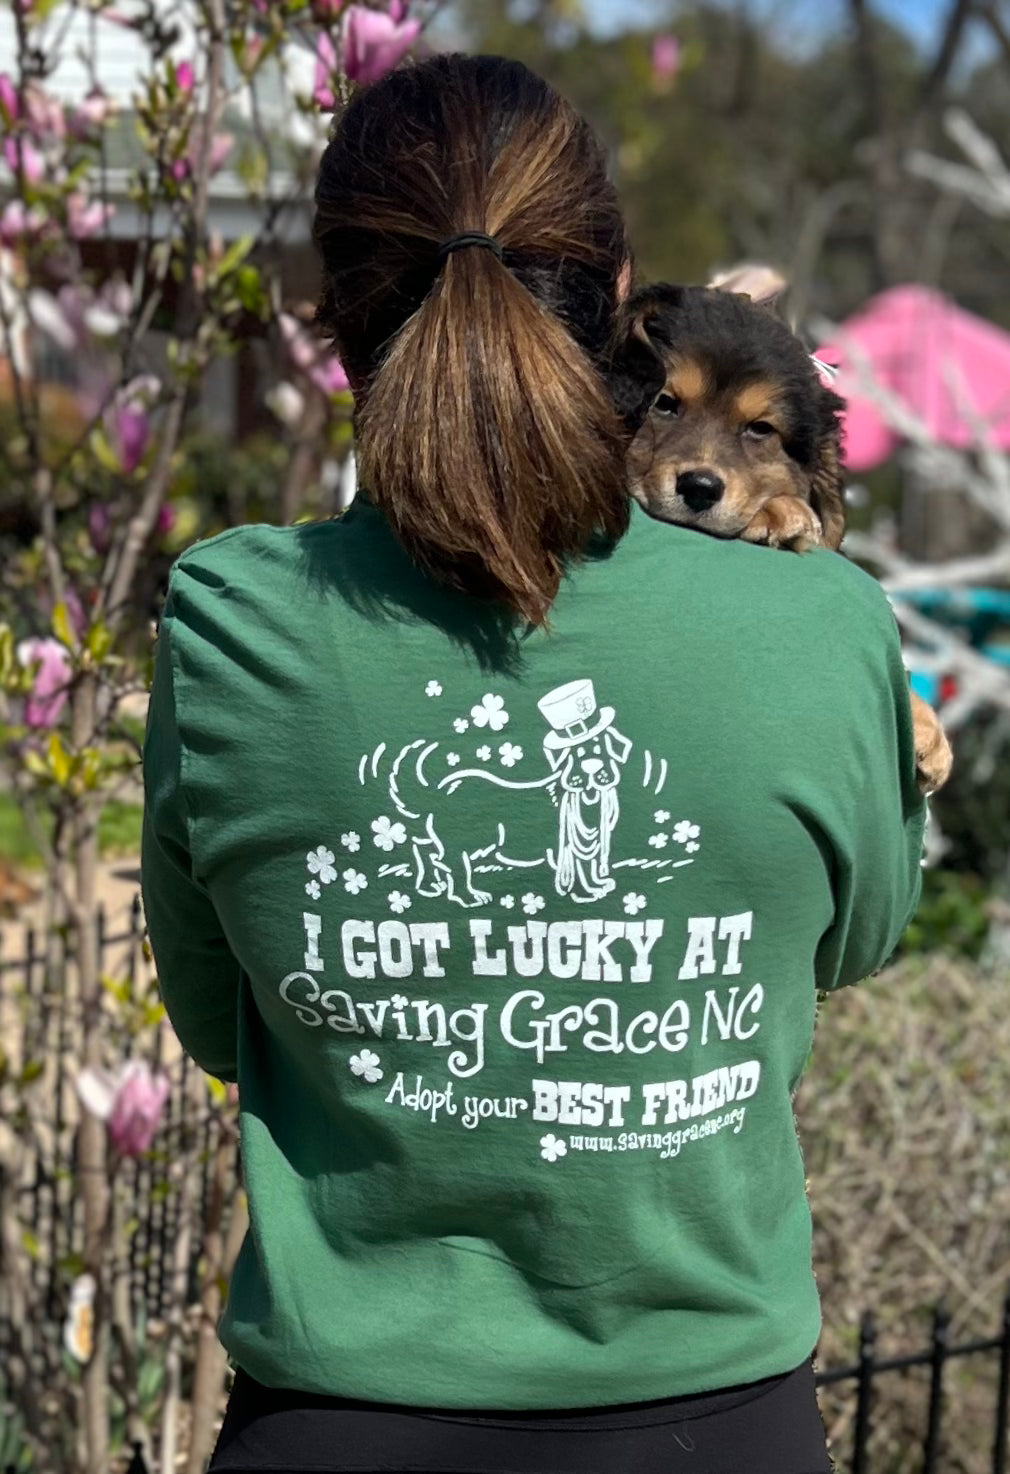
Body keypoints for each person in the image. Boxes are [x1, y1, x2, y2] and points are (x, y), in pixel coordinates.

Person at [141, 53, 926, 1474]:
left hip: (340, 1421)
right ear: (618, 297)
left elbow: (217, 1016)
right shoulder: (821, 615)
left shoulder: (231, 615)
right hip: (714, 1422)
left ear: (332, 328)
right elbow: (859, 935)